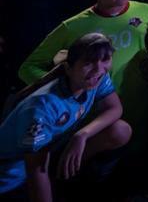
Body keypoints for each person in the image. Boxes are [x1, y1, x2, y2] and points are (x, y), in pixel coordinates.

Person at [19, 0, 148, 143]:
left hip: (138, 101)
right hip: (93, 111)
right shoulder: (73, 26)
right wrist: (64, 89)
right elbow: (29, 68)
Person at [0, 33, 132, 200]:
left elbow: (114, 108)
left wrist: (82, 135)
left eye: (105, 59)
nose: (99, 68)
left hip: (49, 155)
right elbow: (35, 170)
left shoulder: (96, 77)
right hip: (13, 177)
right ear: (69, 68)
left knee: (120, 130)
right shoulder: (43, 107)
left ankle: (66, 177)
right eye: (88, 62)